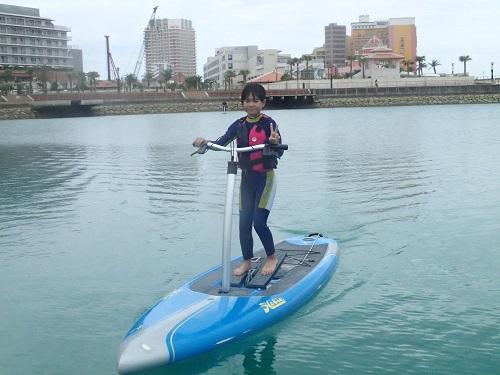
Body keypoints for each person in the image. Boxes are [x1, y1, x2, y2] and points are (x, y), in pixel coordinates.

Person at [193, 83, 283, 276]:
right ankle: (247, 261)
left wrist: (274, 143)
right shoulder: (239, 125)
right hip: (247, 181)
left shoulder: (269, 124)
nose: (251, 104)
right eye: (247, 101)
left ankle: (271, 257)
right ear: (243, 103)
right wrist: (204, 143)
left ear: (263, 103)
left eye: (255, 100)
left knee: (258, 223)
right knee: (244, 223)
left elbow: (279, 149)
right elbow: (221, 142)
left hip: (265, 179)